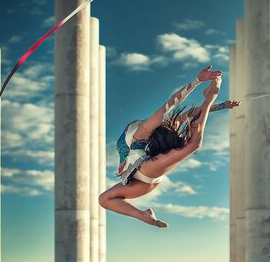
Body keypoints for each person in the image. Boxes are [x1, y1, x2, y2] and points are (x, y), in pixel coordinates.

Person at [99, 65, 240, 228]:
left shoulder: (144, 129)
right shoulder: (157, 128)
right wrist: (220, 105)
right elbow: (191, 113)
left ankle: (144, 215)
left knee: (192, 144)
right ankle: (143, 215)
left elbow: (172, 104)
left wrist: (199, 84)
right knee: (104, 199)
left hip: (145, 174)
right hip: (141, 180)